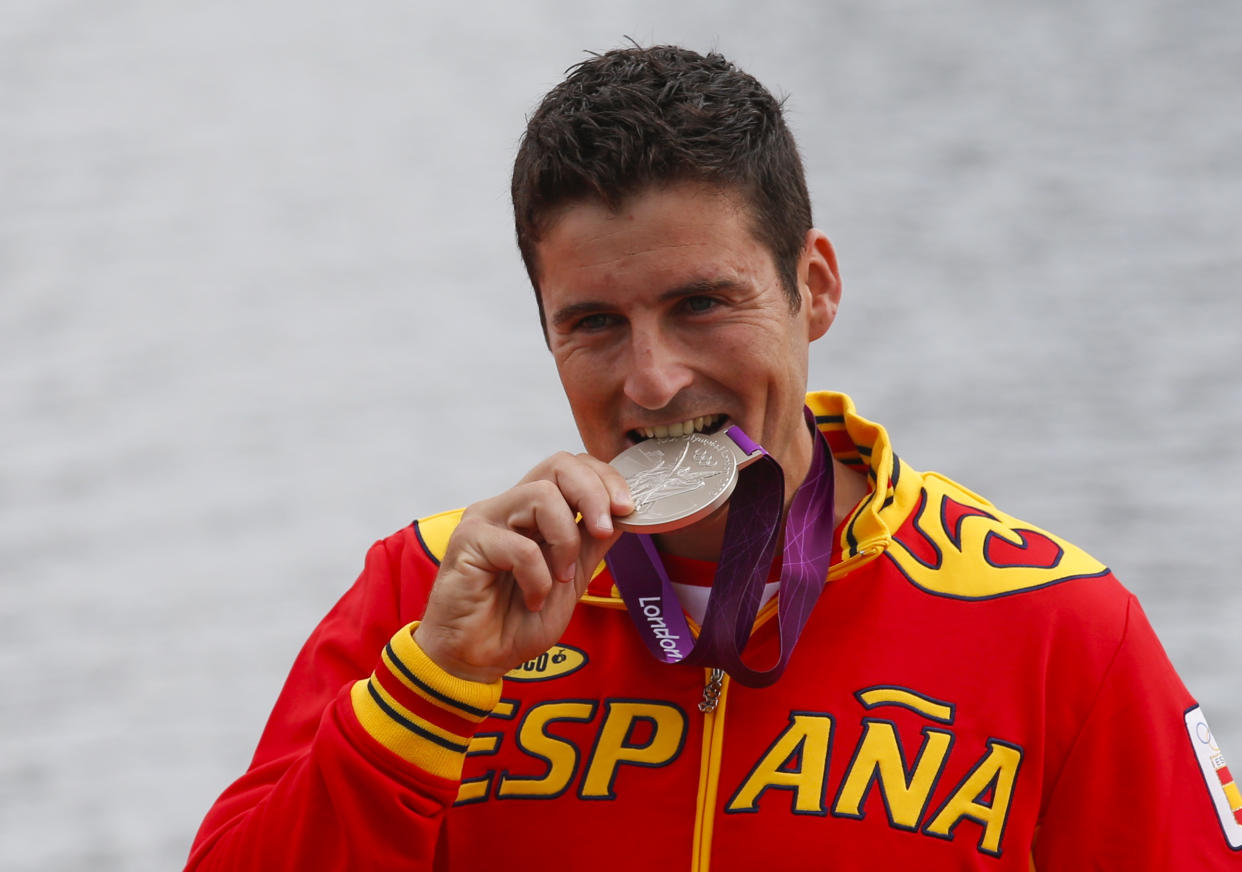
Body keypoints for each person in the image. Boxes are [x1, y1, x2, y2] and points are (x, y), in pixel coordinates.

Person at [185, 45, 1242, 870]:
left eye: (701, 303)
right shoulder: (426, 592)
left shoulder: (1053, 628)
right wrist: (436, 685)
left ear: (814, 287)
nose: (652, 380)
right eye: (594, 321)